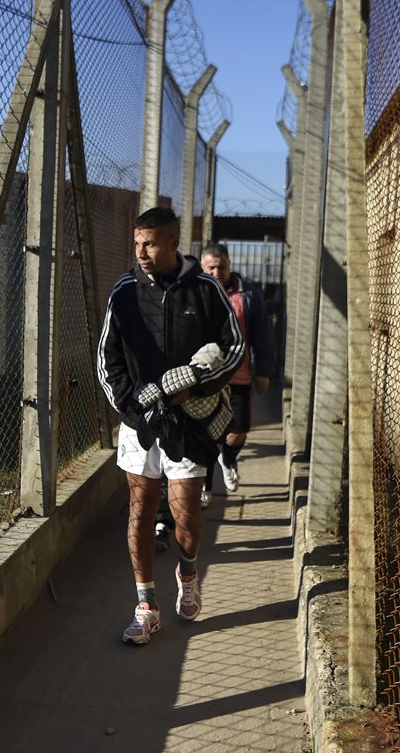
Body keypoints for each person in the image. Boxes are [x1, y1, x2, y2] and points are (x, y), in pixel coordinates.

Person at [97, 206, 244, 645]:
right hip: (141, 424)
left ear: (173, 243)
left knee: (186, 515)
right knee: (140, 512)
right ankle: (147, 607)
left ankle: (188, 569)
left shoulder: (204, 290)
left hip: (190, 424)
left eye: (151, 244)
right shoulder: (123, 292)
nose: (141, 252)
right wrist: (132, 409)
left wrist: (196, 388)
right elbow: (108, 360)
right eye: (137, 243)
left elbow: (233, 347)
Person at [200, 243, 277, 494]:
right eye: (210, 267)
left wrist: (263, 371)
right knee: (205, 437)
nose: (216, 272)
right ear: (202, 266)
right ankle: (204, 487)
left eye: (221, 267)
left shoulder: (248, 295)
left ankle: (229, 458)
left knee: (238, 431)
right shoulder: (195, 291)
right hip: (203, 378)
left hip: (238, 376)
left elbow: (262, 335)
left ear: (229, 265)